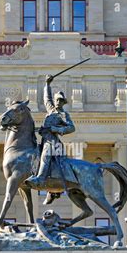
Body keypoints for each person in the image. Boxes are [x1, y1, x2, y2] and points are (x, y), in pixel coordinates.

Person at [25, 74, 75, 205]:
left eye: (60, 100)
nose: (58, 102)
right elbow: (46, 98)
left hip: (52, 141)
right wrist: (47, 83)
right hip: (44, 137)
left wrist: (57, 129)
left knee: (46, 156)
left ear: (64, 102)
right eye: (57, 100)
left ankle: (40, 179)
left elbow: (71, 128)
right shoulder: (51, 110)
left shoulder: (63, 115)